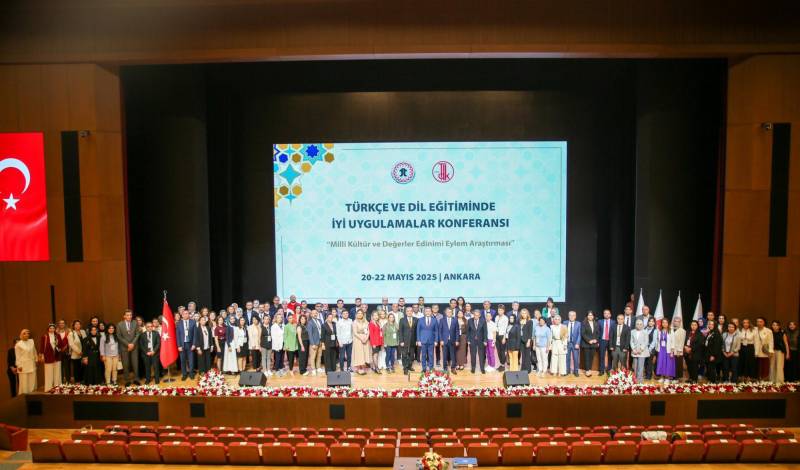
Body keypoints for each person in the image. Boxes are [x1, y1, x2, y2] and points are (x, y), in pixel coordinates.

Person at [117, 309, 141, 385]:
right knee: (125, 364)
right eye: (127, 315)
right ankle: (127, 380)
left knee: (135, 364)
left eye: (130, 315)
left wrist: (132, 344)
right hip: (124, 347)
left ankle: (136, 379)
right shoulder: (119, 324)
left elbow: (137, 334)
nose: (129, 316)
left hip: (134, 347)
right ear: (124, 316)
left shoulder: (135, 323)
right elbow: (119, 336)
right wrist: (128, 344)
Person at [39, 323, 64, 391]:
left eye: (53, 328)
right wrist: (41, 355)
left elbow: (61, 345)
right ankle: (48, 388)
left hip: (57, 356)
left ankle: (57, 387)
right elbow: (42, 347)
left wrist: (59, 348)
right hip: (48, 356)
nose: (52, 329)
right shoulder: (44, 336)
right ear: (48, 329)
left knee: (57, 372)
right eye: (50, 328)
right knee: (48, 373)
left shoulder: (57, 335)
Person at [175, 309, 196, 380]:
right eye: (184, 314)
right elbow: (177, 335)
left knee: (191, 360)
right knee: (183, 360)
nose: (186, 315)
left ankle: (191, 373)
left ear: (189, 314)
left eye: (187, 313)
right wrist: (179, 346)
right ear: (182, 315)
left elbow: (195, 334)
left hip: (190, 344)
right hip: (182, 344)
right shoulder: (179, 323)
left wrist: (194, 344)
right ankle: (184, 374)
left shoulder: (193, 322)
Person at [416, 307, 438, 373]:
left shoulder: (434, 320)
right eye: (426, 311)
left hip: (431, 340)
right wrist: (418, 340)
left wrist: (436, 340)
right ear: (424, 312)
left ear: (431, 312)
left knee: (431, 355)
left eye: (429, 311)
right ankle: (424, 368)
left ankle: (431, 368)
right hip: (423, 340)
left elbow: (436, 331)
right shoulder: (420, 320)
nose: (428, 312)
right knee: (423, 355)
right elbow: (418, 330)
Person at [15, 330, 36, 394]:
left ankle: (32, 394)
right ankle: (24, 395)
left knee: (32, 380)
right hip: (23, 366)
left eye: (28, 334)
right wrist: (19, 365)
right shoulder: (18, 344)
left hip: (31, 364)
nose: (27, 335)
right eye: (25, 334)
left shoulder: (31, 341)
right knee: (24, 382)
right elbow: (17, 356)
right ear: (21, 335)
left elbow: (34, 351)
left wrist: (36, 358)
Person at [438, 308, 458, 374]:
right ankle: (445, 368)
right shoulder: (442, 320)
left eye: (450, 312)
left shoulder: (455, 320)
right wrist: (441, 340)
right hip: (444, 341)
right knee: (445, 355)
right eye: (448, 312)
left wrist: (457, 340)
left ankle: (453, 368)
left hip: (452, 340)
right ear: (445, 313)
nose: (449, 313)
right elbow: (440, 331)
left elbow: (457, 331)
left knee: (453, 355)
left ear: (452, 313)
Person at [398, 307, 417, 374]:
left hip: (413, 340)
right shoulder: (402, 320)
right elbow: (400, 331)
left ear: (412, 312)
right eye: (408, 311)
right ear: (406, 312)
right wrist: (401, 341)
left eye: (410, 311)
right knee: (404, 355)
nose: (409, 312)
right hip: (404, 341)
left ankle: (409, 366)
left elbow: (416, 331)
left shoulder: (416, 319)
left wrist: (417, 340)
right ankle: (405, 368)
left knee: (411, 355)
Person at [467, 310, 487, 374]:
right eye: (475, 315)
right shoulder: (469, 320)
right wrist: (468, 340)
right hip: (472, 340)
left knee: (481, 355)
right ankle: (473, 368)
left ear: (479, 315)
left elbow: (485, 331)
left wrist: (485, 340)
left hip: (481, 340)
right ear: (473, 315)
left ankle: (482, 368)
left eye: (477, 315)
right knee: (473, 355)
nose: (476, 316)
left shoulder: (483, 321)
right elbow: (468, 331)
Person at [656, 318, 676, 383]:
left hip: (668, 350)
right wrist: (657, 349)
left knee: (668, 364)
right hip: (661, 350)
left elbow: (673, 341)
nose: (664, 324)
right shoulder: (659, 331)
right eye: (663, 322)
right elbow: (658, 341)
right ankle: (662, 377)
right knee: (661, 363)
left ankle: (667, 378)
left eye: (666, 322)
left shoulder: (671, 331)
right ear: (661, 323)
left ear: (668, 323)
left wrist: (672, 351)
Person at [352, 311, 371, 375]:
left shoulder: (366, 322)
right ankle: (359, 368)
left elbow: (368, 331)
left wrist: (366, 338)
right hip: (358, 339)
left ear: (363, 314)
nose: (360, 314)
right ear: (356, 314)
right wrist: (361, 339)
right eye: (358, 313)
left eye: (361, 313)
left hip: (365, 339)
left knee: (364, 353)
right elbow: (355, 332)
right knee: (359, 354)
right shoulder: (355, 322)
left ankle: (363, 366)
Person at [580, 311, 599, 377]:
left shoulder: (596, 323)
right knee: (587, 358)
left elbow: (598, 333)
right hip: (586, 344)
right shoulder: (583, 323)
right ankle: (587, 370)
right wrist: (589, 340)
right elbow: (583, 333)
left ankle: (589, 369)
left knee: (591, 357)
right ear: (587, 316)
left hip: (594, 343)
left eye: (591, 315)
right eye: (589, 315)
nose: (590, 316)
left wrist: (596, 339)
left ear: (593, 316)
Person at [668, 316, 686, 382]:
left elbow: (682, 342)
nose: (676, 322)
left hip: (678, 351)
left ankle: (677, 378)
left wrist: (679, 351)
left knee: (677, 364)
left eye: (678, 321)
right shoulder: (670, 329)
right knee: (672, 364)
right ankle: (672, 376)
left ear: (680, 322)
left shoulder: (682, 331)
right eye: (675, 321)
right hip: (671, 350)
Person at [565, 310, 582, 377]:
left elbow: (579, 334)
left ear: (575, 316)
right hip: (567, 343)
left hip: (575, 344)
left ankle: (576, 371)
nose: (571, 316)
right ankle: (567, 370)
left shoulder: (578, 323)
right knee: (567, 358)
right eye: (570, 315)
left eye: (573, 315)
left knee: (576, 358)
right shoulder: (565, 323)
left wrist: (577, 343)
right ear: (568, 316)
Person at [307, 310, 323, 376]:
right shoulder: (310, 322)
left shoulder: (320, 321)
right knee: (313, 357)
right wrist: (312, 343)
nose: (315, 314)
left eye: (316, 313)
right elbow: (310, 334)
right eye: (313, 313)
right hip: (314, 342)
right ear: (311, 315)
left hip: (320, 341)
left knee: (319, 355)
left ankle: (318, 367)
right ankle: (313, 369)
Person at [597, 309, 613, 375]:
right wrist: (598, 341)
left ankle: (609, 369)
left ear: (610, 315)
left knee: (610, 356)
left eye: (608, 313)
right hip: (602, 341)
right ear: (603, 315)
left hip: (610, 341)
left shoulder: (613, 322)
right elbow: (597, 332)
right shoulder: (599, 321)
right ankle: (601, 370)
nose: (606, 314)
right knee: (601, 356)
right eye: (605, 313)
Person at [55, 320, 70, 384]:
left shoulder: (68, 331)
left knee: (67, 367)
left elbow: (70, 341)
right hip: (59, 352)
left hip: (67, 351)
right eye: (60, 323)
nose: (61, 324)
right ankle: (60, 381)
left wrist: (67, 346)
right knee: (59, 367)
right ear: (58, 324)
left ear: (65, 324)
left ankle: (68, 381)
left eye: (63, 323)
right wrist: (58, 348)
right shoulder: (56, 332)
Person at [495, 306, 509, 371]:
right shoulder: (496, 317)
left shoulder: (505, 318)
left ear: (503, 311)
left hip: (502, 336)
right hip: (497, 335)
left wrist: (504, 338)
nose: (499, 311)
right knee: (498, 351)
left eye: (501, 310)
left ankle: (503, 365)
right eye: (499, 310)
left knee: (502, 351)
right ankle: (501, 364)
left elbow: (506, 328)